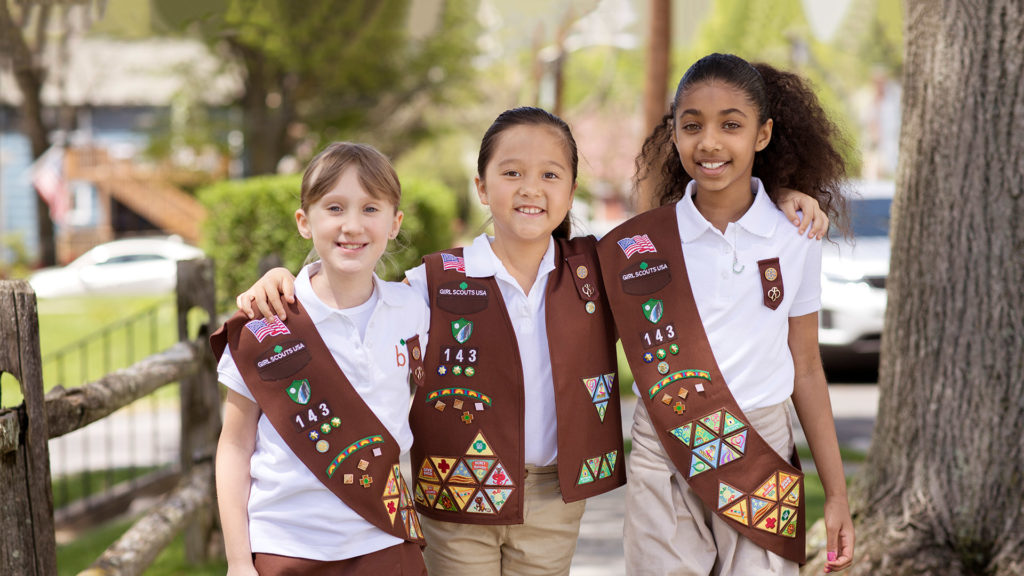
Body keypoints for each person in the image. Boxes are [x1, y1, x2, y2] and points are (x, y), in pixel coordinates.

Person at [236, 107, 830, 576]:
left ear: (572, 189)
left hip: (555, 498)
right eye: (511, 172)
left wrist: (775, 197)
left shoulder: (601, 268)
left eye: (551, 174)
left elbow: (699, 245)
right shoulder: (432, 282)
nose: (530, 188)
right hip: (454, 497)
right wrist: (291, 276)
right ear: (481, 185)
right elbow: (358, 294)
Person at [596, 53, 854, 576]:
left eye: (731, 125)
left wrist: (837, 494)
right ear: (674, 134)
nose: (710, 142)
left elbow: (805, 366)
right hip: (663, 447)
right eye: (692, 126)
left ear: (762, 135)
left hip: (759, 442)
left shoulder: (795, 235)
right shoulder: (637, 246)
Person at [210, 142, 429, 575]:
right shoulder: (266, 321)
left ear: (394, 223)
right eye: (334, 207)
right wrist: (238, 562)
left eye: (370, 209)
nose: (352, 225)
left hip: (383, 538)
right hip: (287, 544)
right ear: (304, 222)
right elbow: (235, 445)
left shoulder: (414, 308)